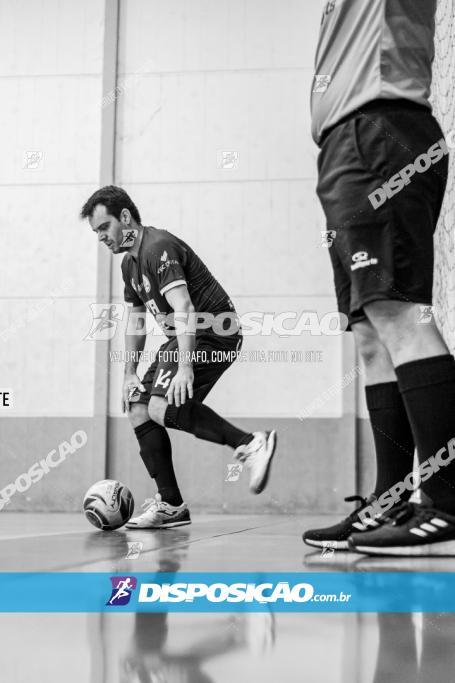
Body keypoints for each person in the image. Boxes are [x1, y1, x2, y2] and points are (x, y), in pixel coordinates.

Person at [303, 0, 455, 555]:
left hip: (379, 130)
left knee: (398, 312)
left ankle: (447, 501)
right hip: (346, 144)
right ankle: (391, 498)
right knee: (369, 334)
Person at [81, 186, 277, 528]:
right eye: (96, 232)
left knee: (161, 406)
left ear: (125, 217)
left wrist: (185, 367)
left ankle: (251, 443)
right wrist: (129, 374)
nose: (101, 237)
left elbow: (184, 306)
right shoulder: (130, 264)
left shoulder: (158, 247)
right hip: (183, 337)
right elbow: (137, 322)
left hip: (214, 332)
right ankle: (171, 505)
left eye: (104, 227)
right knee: (139, 407)